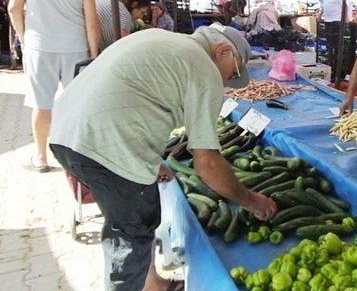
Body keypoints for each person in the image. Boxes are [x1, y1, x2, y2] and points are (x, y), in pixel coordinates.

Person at [49, 24, 278, 290]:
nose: (227, 82)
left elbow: (134, 98)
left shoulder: (161, 39)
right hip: (101, 144)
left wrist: (152, 160)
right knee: (130, 233)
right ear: (223, 51)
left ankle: (153, 285)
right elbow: (208, 163)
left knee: (133, 217)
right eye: (233, 72)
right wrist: (252, 201)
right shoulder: (203, 66)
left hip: (65, 132)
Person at [8, 0, 100, 172]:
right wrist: (95, 55)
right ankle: (73, 159)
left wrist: (24, 39)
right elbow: (91, 22)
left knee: (42, 104)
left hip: (39, 46)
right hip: (75, 48)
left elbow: (13, 8)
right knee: (74, 104)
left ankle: (40, 157)